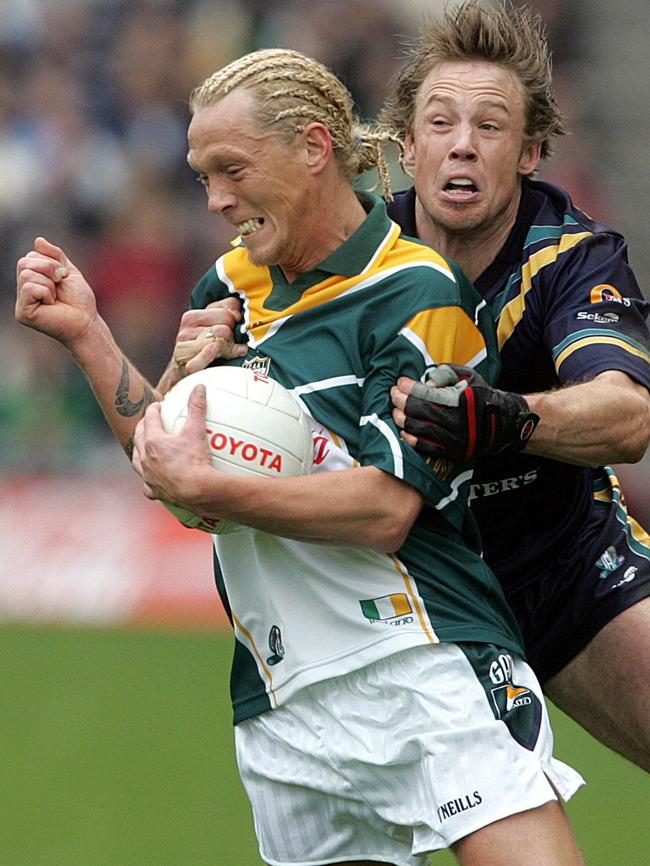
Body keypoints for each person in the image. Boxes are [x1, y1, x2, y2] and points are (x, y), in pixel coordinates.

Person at [16, 47, 585, 866]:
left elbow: (387, 510)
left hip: (420, 659)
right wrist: (89, 335)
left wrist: (210, 486)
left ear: (314, 148)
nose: (215, 199)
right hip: (281, 696)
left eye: (232, 169)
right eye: (202, 175)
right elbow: (174, 472)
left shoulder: (413, 291)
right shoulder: (227, 287)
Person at [377, 0, 650, 771]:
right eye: (440, 123)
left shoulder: (573, 259)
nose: (462, 145)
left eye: (490, 127)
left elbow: (627, 416)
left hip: (566, 569)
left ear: (529, 151)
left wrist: (499, 418)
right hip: (408, 597)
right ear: (407, 143)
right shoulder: (353, 258)